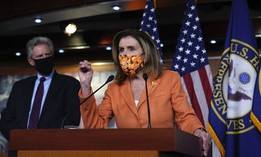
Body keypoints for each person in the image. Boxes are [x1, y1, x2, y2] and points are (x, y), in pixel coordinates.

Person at [78, 29, 211, 156]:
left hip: (163, 151)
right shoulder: (114, 88)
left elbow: (185, 116)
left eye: (131, 49)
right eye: (121, 50)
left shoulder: (169, 79)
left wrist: (197, 130)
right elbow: (95, 126)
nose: (125, 54)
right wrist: (85, 85)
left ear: (146, 55)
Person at [0, 36, 81, 141]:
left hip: (52, 147)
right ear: (31, 61)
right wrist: (21, 139)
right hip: (21, 148)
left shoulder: (70, 84)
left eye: (47, 55)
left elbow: (72, 119)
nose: (44, 59)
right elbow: (7, 120)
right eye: (39, 56)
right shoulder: (20, 87)